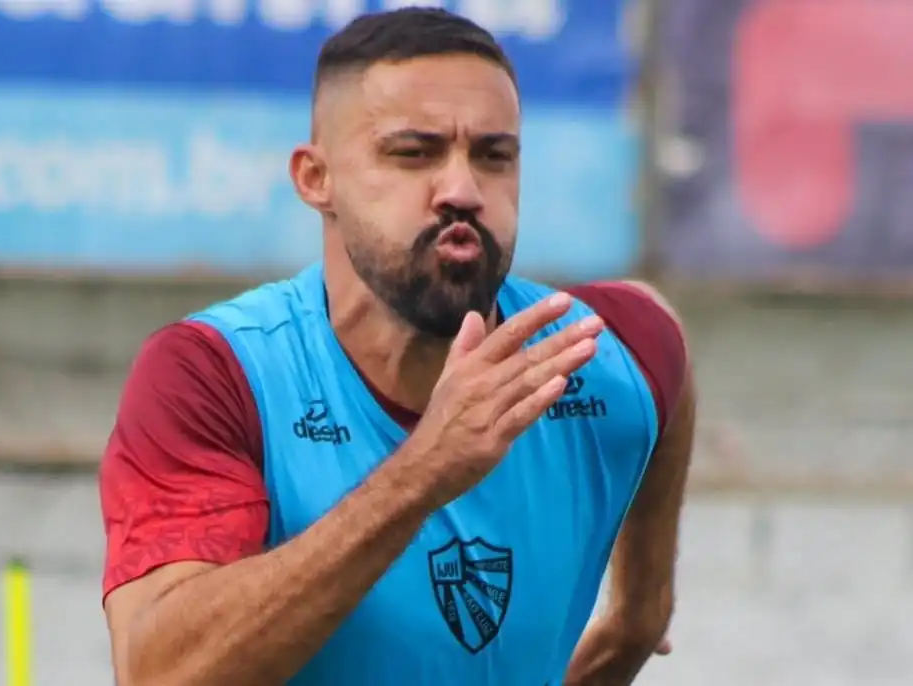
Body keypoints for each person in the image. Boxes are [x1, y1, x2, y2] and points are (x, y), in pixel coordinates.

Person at [99, 8, 694, 686]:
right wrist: (422, 471)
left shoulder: (594, 355)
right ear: (315, 178)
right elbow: (159, 674)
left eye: (494, 156)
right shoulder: (217, 375)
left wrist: (639, 614)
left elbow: (660, 336)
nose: (462, 190)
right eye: (414, 153)